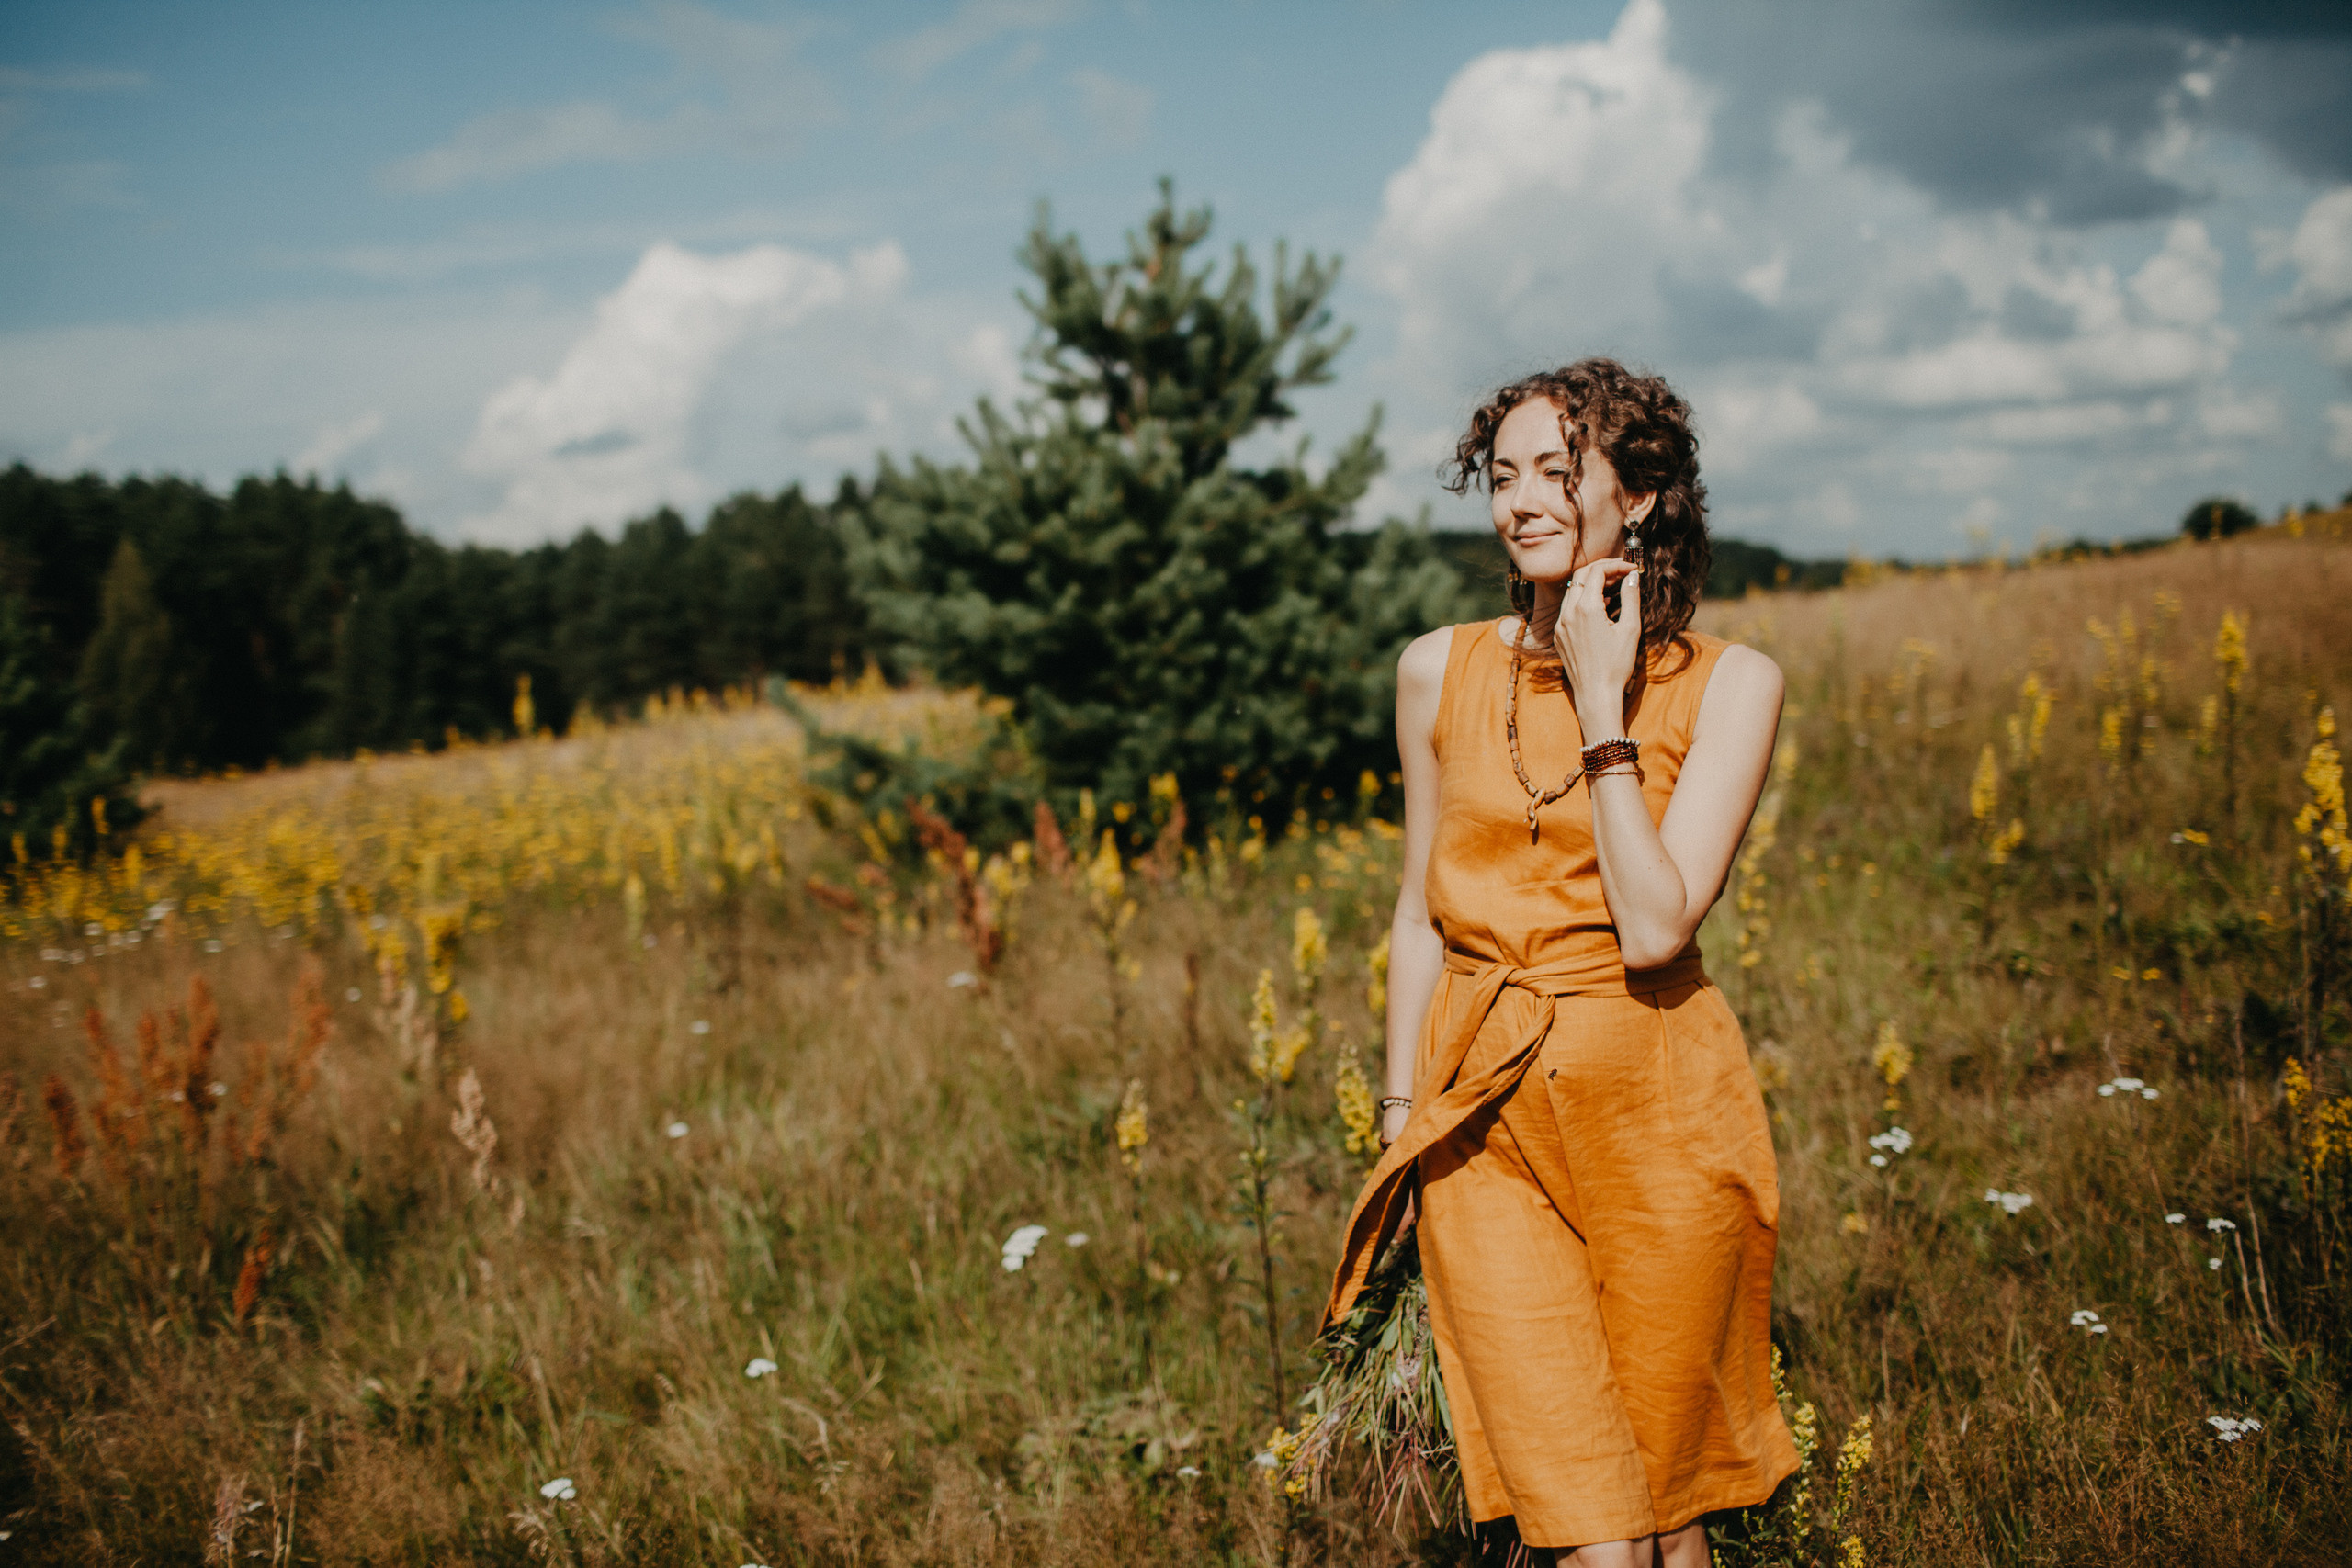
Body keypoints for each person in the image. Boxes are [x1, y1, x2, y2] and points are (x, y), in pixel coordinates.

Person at [1320, 358, 1798, 1566]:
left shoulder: (1734, 685)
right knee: (1589, 1525)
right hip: (1479, 1122)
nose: (1518, 500)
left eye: (1556, 471)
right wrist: (1399, 1116)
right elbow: (1420, 913)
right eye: (1502, 474)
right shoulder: (1436, 669)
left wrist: (1601, 704)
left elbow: (1654, 927)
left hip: (1660, 1124)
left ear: (1636, 496)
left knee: (1668, 1501)